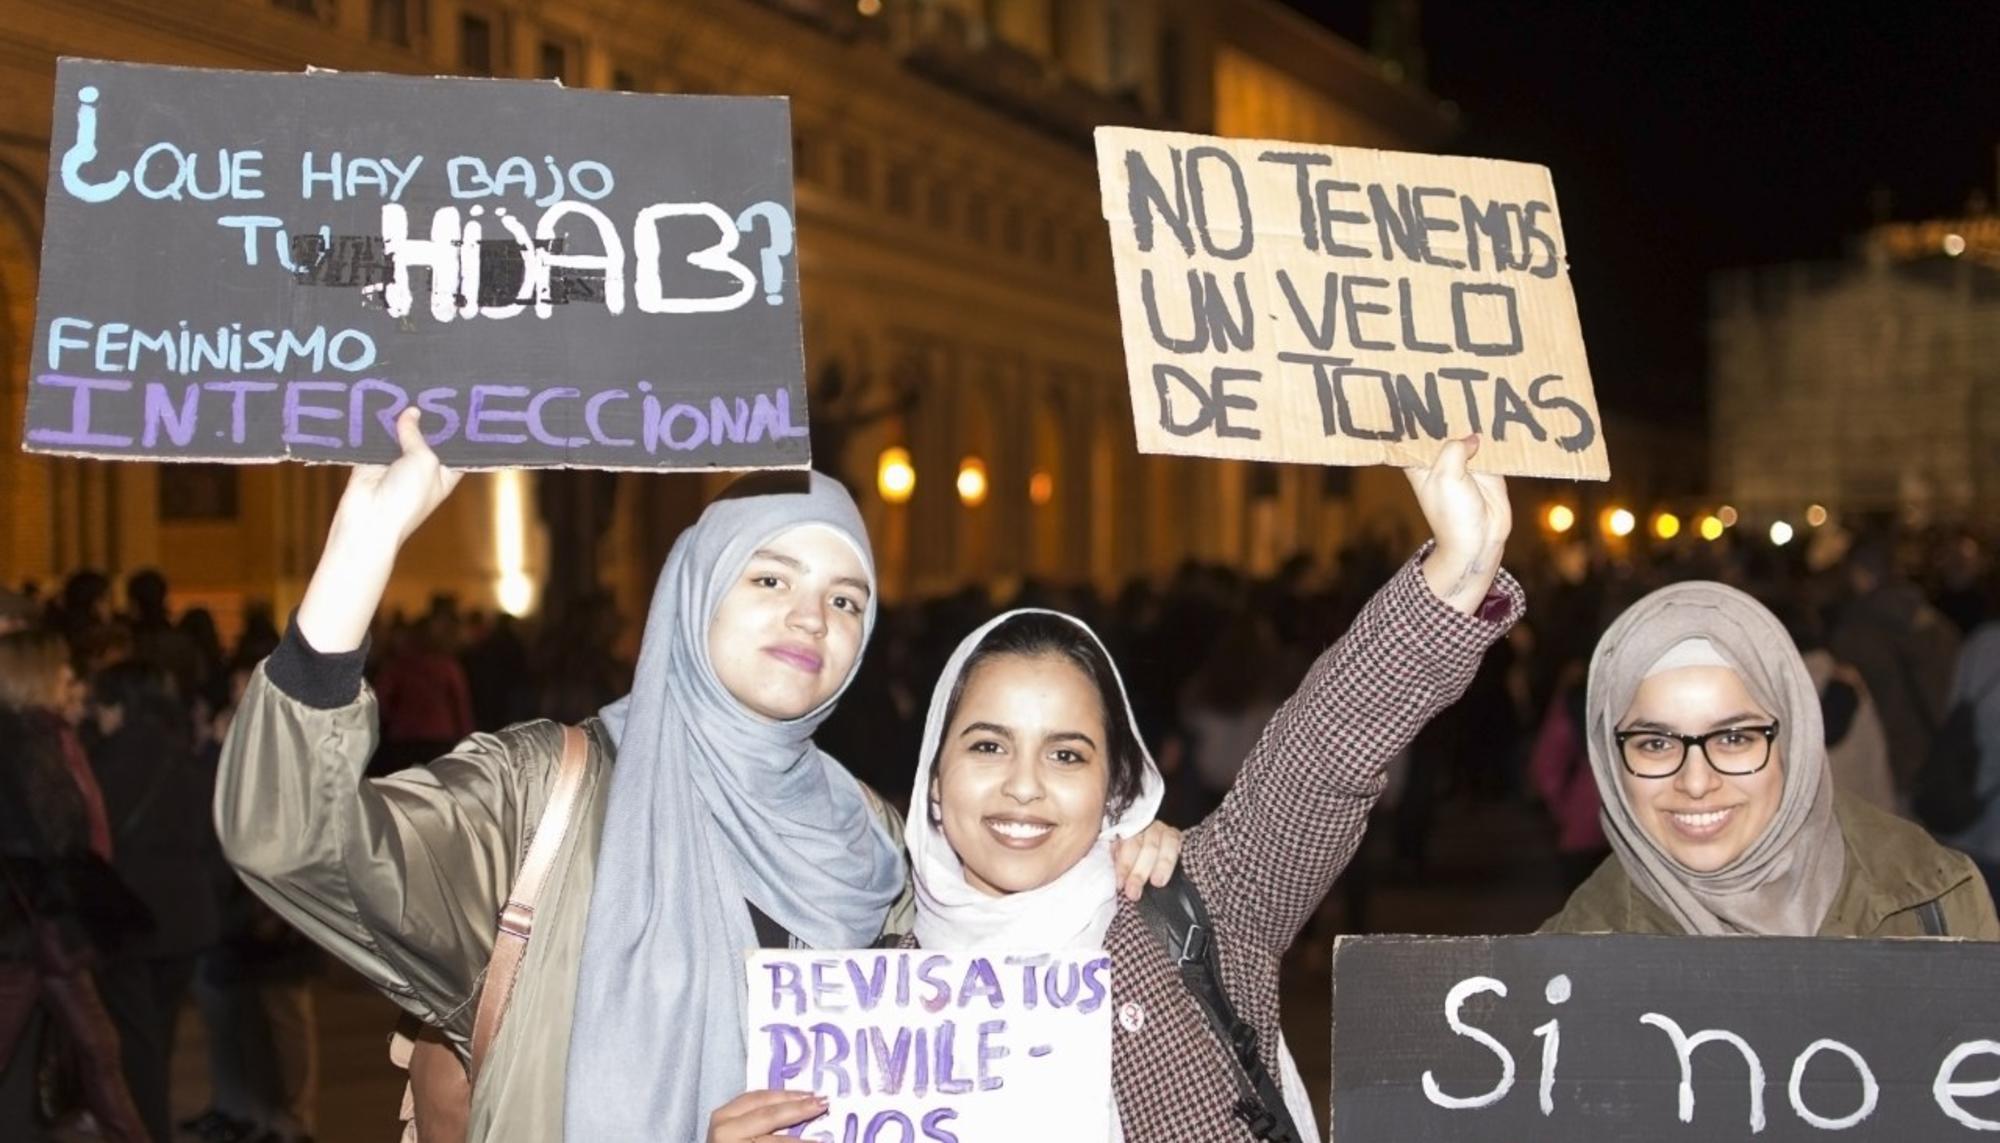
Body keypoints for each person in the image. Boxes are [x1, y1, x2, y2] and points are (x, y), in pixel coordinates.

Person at [216, 409, 1176, 1142]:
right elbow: (290, 837)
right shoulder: (543, 795)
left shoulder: (874, 841)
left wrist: (1126, 853)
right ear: (695, 588)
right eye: (770, 579)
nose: (810, 618)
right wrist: (363, 546)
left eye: (845, 599)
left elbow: (991, 976)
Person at [710, 435, 1521, 1142]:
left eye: (1067, 755)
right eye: (988, 744)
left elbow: (1324, 750)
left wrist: (1460, 565)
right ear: (934, 781)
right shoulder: (861, 1009)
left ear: (1116, 787)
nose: (1023, 785)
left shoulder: (1203, 905)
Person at [1541, 580, 1999, 938]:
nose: (1696, 782)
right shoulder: (1571, 963)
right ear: (1610, 761)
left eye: (1734, 737)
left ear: (1792, 742)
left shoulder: (1935, 898)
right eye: (1656, 744)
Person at [85, 660, 222, 1143]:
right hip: (186, 916)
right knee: (159, 1033)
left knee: (133, 1041)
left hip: (128, 918)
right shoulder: (181, 758)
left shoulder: (102, 764)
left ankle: (147, 1129)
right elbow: (211, 836)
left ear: (117, 708)